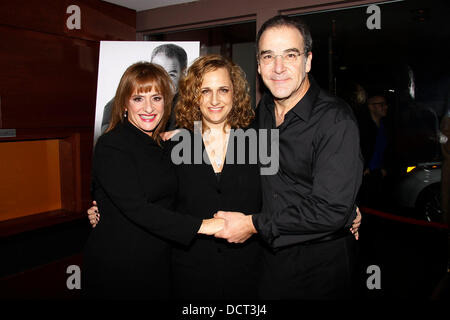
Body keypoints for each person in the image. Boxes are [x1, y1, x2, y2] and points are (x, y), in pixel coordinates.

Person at [87, 55, 263, 300]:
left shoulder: (261, 143)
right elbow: (147, 201)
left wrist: (254, 225)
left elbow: (280, 202)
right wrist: (103, 210)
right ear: (193, 95)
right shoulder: (176, 146)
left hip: (247, 273)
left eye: (223, 89)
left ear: (236, 94)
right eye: (205, 91)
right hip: (186, 275)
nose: (214, 99)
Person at [214, 15, 363, 300]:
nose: (278, 68)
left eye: (290, 55)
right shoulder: (265, 109)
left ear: (307, 61)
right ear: (258, 65)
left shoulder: (335, 120)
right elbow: (241, 149)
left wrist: (253, 224)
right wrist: (181, 138)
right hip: (272, 259)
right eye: (268, 57)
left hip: (321, 264)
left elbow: (330, 209)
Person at [100, 44, 187, 133]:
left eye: (171, 74)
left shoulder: (191, 104)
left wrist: (185, 136)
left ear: (183, 74)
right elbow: (109, 138)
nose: (162, 80)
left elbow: (198, 141)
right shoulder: (117, 103)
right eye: (155, 72)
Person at [358, 94, 391, 207]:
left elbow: (387, 150)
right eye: (381, 105)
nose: (385, 107)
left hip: (380, 173)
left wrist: (385, 167)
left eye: (385, 104)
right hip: (366, 174)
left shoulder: (385, 126)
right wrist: (363, 168)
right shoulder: (362, 126)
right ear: (371, 107)